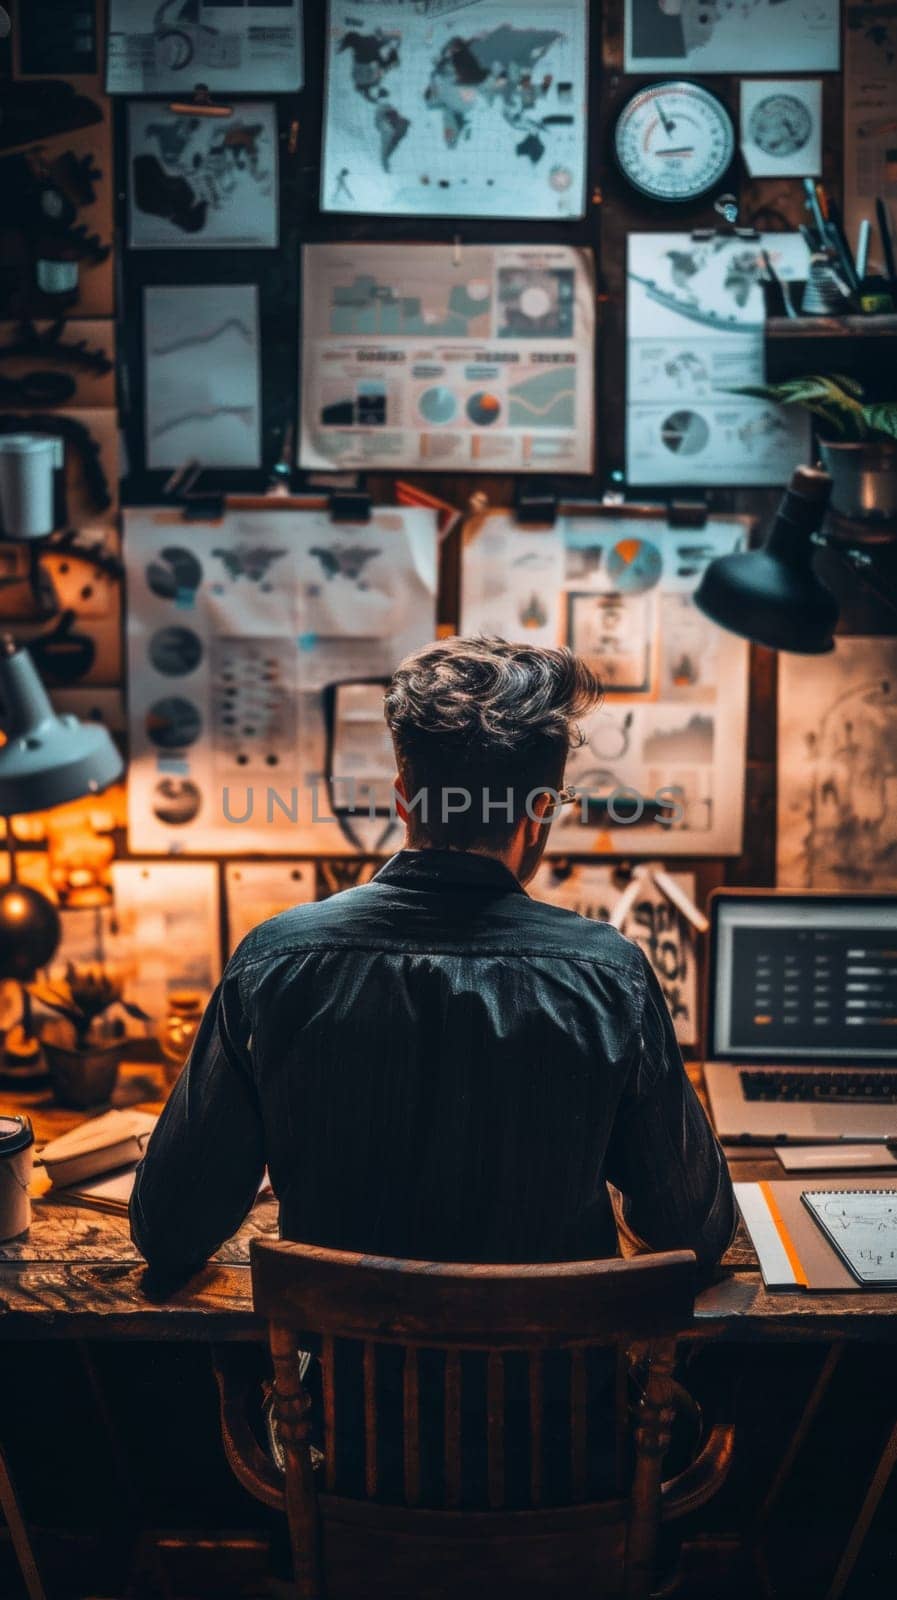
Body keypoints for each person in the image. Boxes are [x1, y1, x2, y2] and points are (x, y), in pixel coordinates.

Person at [131, 636, 735, 1278]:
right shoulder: (610, 975)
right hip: (560, 1374)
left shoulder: (275, 961)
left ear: (402, 798)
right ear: (537, 816)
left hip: (335, 1376)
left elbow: (169, 1229)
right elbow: (691, 1233)